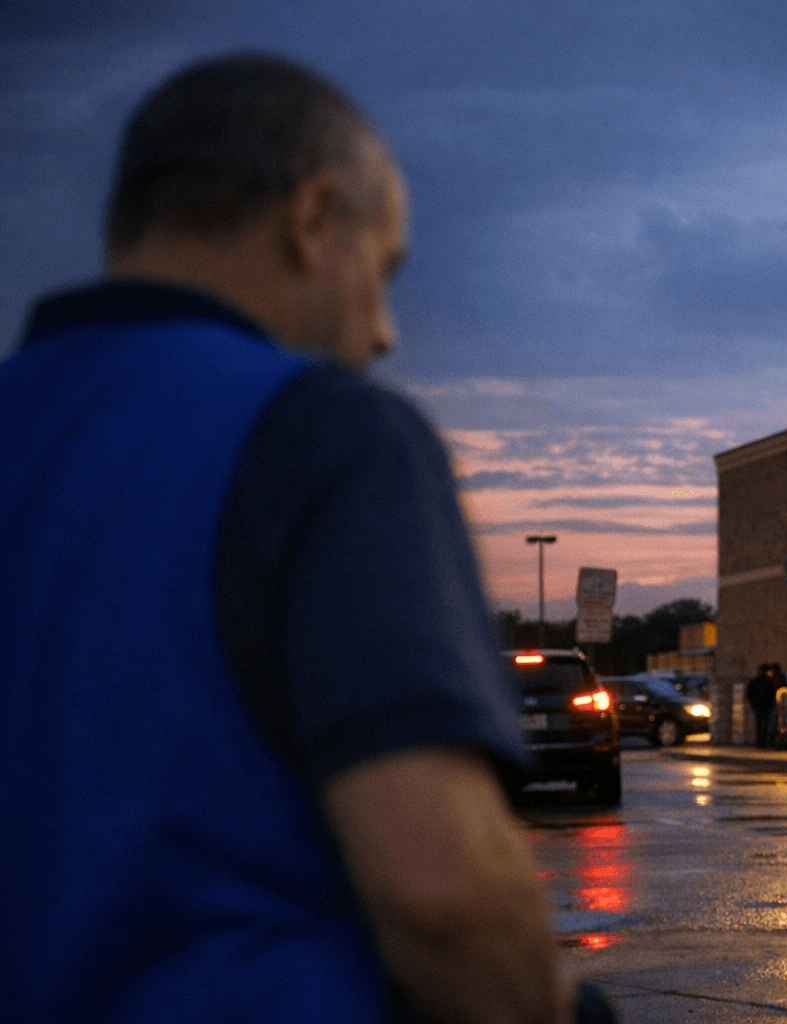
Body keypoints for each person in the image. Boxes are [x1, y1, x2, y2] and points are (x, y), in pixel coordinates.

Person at [0, 54, 601, 1023]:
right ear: (312, 217)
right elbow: (444, 892)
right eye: (385, 270)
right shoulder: (326, 436)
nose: (385, 332)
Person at [747, 663, 778, 747]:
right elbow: (772, 693)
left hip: (759, 706)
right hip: (767, 706)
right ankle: (764, 742)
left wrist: (753, 704)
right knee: (766, 724)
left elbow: (749, 693)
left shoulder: (755, 681)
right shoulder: (769, 681)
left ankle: (760, 742)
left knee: (759, 724)